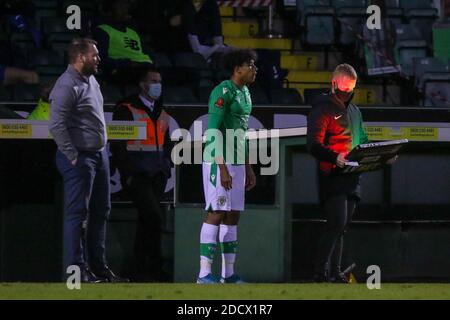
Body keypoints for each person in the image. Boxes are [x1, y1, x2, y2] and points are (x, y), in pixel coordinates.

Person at [49, 38, 127, 283]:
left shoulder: (91, 81)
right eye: (95, 55)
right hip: (79, 157)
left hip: (98, 154)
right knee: (78, 214)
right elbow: (56, 125)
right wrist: (72, 155)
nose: (99, 59)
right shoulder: (66, 85)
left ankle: (98, 267)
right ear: (81, 57)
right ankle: (77, 270)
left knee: (101, 210)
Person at [197, 49, 257, 284]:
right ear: (237, 68)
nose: (255, 69)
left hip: (238, 160)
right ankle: (203, 274)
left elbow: (242, 133)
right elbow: (212, 131)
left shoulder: (246, 93)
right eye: (250, 65)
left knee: (233, 216)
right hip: (218, 160)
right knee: (216, 212)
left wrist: (248, 167)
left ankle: (228, 274)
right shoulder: (223, 90)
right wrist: (221, 168)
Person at [307, 64, 369, 284]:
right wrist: (335, 158)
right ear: (334, 84)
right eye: (344, 87)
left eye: (351, 88)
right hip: (332, 175)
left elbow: (363, 140)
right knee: (335, 223)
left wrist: (379, 156)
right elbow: (313, 144)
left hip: (353, 175)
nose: (347, 92)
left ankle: (335, 271)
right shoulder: (322, 108)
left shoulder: (355, 111)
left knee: (342, 227)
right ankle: (320, 273)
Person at [111, 66, 172, 282]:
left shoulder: (162, 110)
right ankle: (153, 267)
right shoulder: (126, 108)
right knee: (153, 217)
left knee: (148, 220)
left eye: (159, 81)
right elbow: (117, 145)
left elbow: (167, 143)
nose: (157, 85)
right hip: (137, 175)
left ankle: (139, 270)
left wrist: (166, 166)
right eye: (153, 80)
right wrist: (127, 173)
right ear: (142, 84)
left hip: (157, 175)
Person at [93, 0, 153, 85]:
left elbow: (145, 53)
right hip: (123, 69)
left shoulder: (132, 32)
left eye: (126, 6)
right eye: (121, 7)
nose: (125, 10)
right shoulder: (103, 30)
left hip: (145, 67)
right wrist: (128, 63)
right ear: (110, 11)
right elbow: (101, 59)